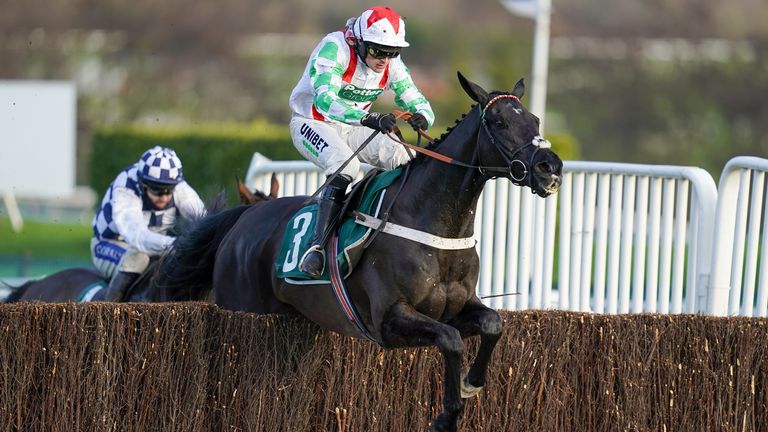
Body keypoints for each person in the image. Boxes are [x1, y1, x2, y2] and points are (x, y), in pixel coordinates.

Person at [289, 6, 435, 277]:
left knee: (406, 159)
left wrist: (423, 117)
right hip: (312, 122)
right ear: (359, 42)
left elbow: (414, 97)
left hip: (355, 125)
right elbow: (325, 100)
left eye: (392, 52)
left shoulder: (390, 64)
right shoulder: (334, 48)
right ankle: (316, 247)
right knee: (346, 167)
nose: (384, 59)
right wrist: (369, 118)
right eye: (378, 51)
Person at [91, 146, 206, 301]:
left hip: (156, 244)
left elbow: (203, 220)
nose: (164, 197)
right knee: (138, 257)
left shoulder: (178, 185)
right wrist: (175, 244)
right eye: (157, 190)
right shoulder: (126, 185)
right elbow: (136, 237)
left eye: (169, 190)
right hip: (108, 244)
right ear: (143, 184)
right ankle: (107, 315)